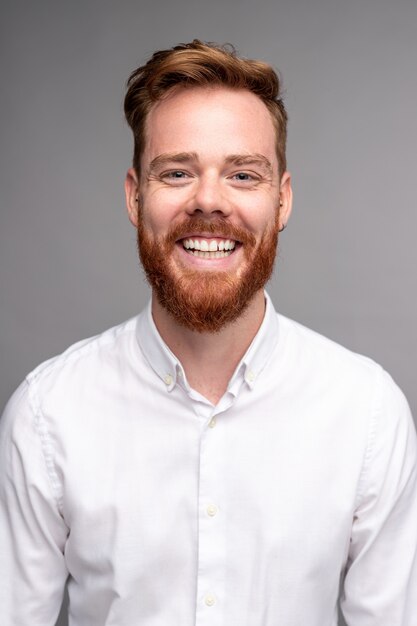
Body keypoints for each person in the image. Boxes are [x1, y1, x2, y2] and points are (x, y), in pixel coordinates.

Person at [0, 40, 416, 626]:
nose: (209, 202)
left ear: (283, 199)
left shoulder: (369, 413)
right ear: (134, 195)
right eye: (177, 172)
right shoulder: (46, 416)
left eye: (243, 174)